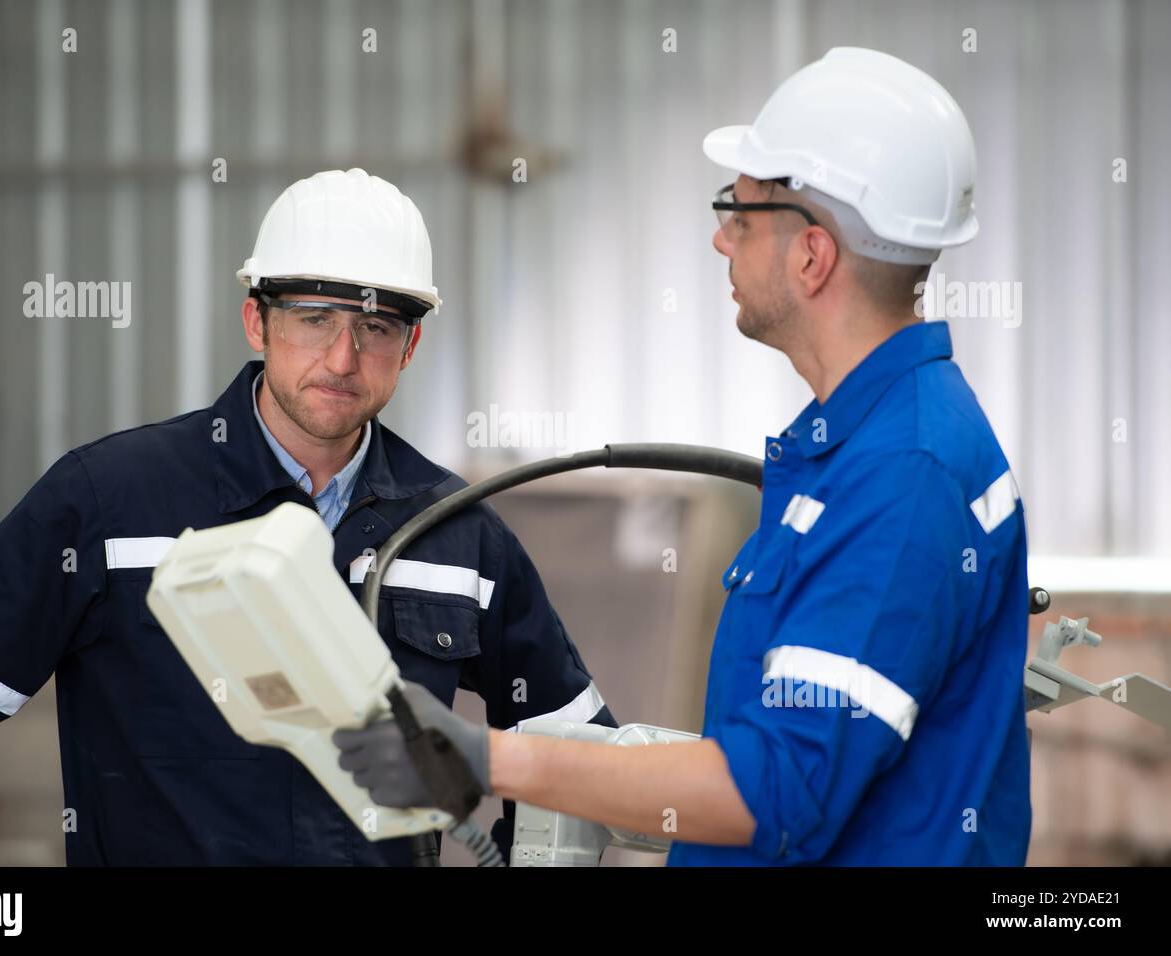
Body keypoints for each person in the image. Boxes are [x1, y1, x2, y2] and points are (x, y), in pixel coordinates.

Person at [333, 49, 1032, 866]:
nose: (718, 238)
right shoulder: (869, 443)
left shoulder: (899, 474)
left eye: (739, 213)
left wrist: (487, 757)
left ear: (813, 256)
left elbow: (772, 791)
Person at [0, 168, 614, 866]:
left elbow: (581, 754)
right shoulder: (109, 501)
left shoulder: (459, 534)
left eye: (378, 327)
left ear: (411, 344)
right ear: (256, 322)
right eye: (314, 318)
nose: (344, 358)